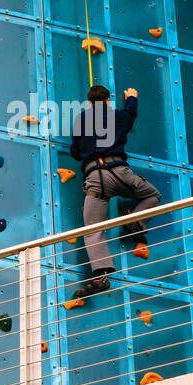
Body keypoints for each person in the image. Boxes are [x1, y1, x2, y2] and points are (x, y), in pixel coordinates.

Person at [69, 84, 161, 296]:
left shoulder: (79, 121)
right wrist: (131, 96)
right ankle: (136, 222)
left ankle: (101, 278)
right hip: (119, 171)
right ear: (108, 100)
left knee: (92, 229)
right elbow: (130, 114)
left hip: (95, 178)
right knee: (152, 194)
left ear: (89, 102)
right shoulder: (117, 116)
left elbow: (75, 153)